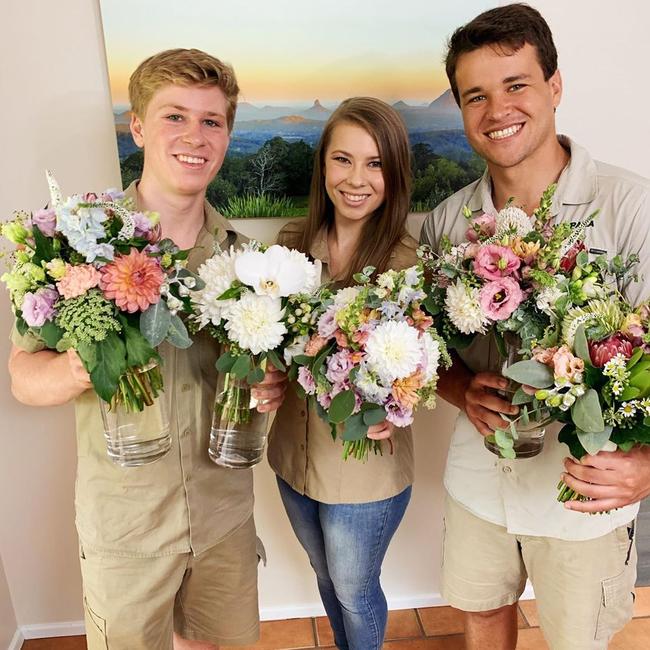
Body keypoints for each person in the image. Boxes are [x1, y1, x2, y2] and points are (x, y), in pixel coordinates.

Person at [8, 48, 286, 650]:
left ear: (229, 134)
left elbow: (267, 382)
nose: (195, 136)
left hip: (224, 520)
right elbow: (24, 379)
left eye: (212, 121)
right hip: (125, 530)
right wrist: (82, 364)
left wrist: (273, 387)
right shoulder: (81, 250)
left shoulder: (249, 262)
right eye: (174, 116)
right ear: (136, 126)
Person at [419, 4, 650, 650]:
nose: (497, 111)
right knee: (483, 618)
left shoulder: (630, 207)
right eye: (475, 96)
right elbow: (427, 346)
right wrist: (461, 389)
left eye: (516, 85)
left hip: (584, 494)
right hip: (479, 482)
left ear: (554, 86)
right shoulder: (447, 222)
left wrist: (649, 465)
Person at [267, 97, 418, 650]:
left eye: (375, 163)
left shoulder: (404, 265)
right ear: (323, 166)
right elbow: (276, 348)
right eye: (343, 159)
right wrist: (268, 372)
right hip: (292, 457)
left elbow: (418, 365)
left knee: (355, 590)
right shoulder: (288, 247)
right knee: (325, 576)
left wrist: (398, 400)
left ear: (395, 173)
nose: (356, 179)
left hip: (364, 474)